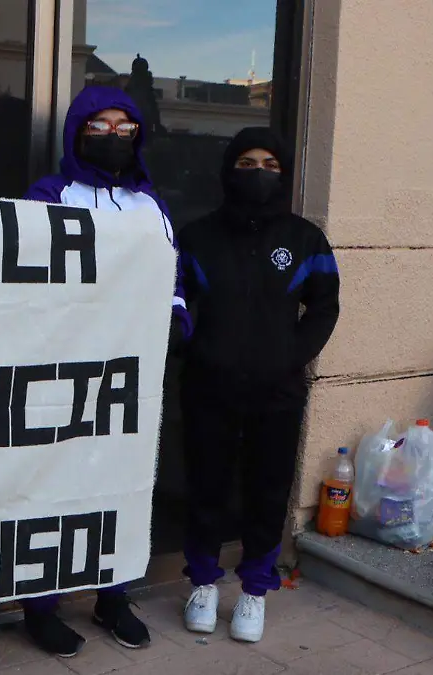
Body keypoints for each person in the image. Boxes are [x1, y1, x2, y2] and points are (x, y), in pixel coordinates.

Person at [19, 85, 192, 657]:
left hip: (131, 375)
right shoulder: (49, 193)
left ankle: (112, 595)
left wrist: (176, 320)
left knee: (121, 484)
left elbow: (172, 278)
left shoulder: (152, 203)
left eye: (126, 126)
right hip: (60, 367)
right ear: (77, 130)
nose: (114, 136)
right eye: (101, 125)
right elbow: (24, 271)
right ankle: (40, 606)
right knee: (52, 485)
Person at [176, 127, 340, 643]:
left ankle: (254, 590)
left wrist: (289, 356)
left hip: (277, 391)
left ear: (284, 173)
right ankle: (203, 583)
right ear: (228, 171)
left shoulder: (305, 239)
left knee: (268, 491)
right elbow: (173, 295)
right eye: (246, 163)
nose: (258, 172)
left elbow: (324, 306)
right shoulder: (198, 235)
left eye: (269, 163)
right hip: (208, 386)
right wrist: (191, 346)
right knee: (206, 487)